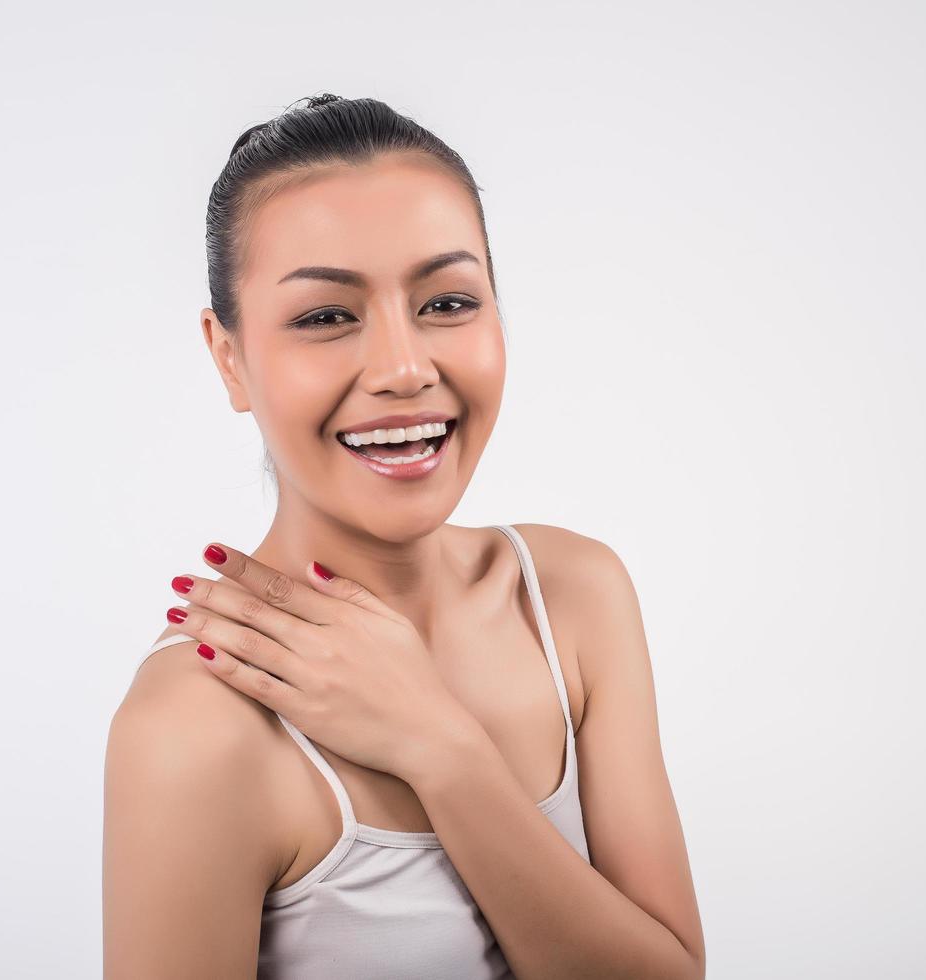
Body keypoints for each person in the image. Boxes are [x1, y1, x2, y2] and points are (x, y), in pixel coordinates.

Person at [102, 93, 704, 979]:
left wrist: (439, 746)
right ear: (228, 357)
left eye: (448, 301)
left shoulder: (575, 597)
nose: (403, 369)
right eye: (324, 316)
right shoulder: (198, 723)